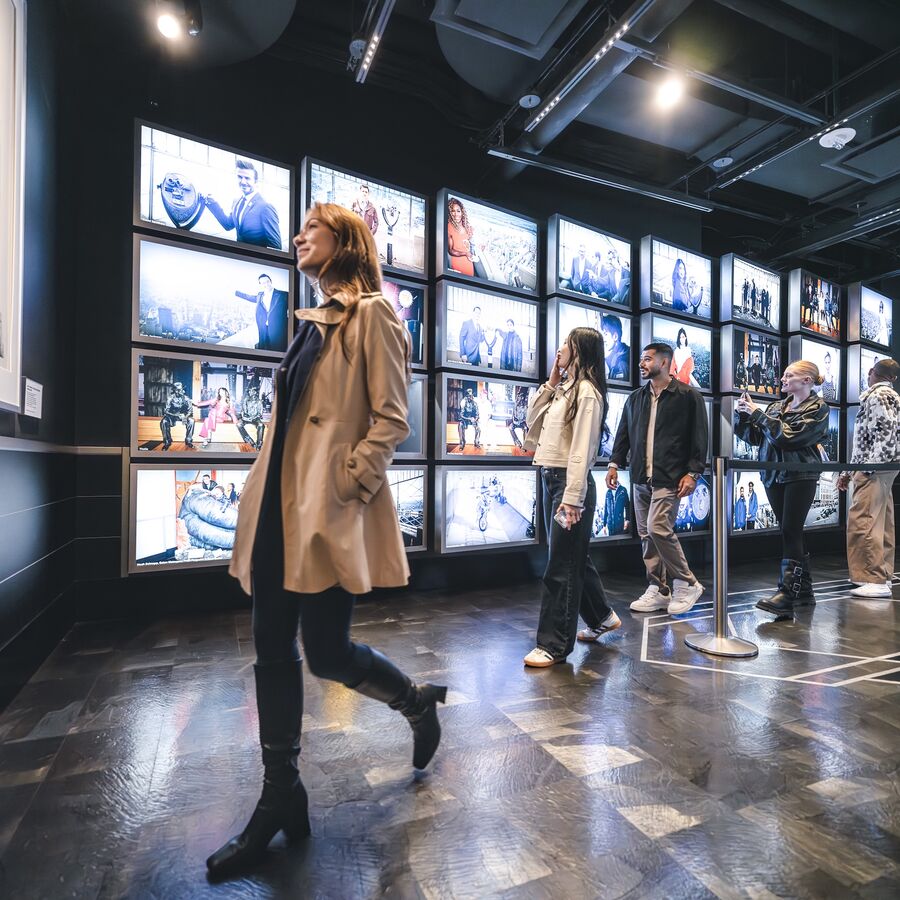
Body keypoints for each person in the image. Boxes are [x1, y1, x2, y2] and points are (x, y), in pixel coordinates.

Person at [206, 203, 446, 879]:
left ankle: (416, 702)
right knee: (271, 648)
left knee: (328, 655)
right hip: (279, 510)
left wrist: (349, 484)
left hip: (324, 509)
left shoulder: (374, 312)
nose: (297, 238)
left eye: (310, 227)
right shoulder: (310, 325)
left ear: (343, 240)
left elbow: (392, 419)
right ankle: (281, 794)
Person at [521, 327, 620, 666]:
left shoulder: (588, 394)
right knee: (572, 557)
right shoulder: (563, 389)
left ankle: (553, 645)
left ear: (580, 351)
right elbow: (530, 423)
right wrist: (551, 381)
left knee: (560, 567)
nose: (560, 348)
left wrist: (573, 497)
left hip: (568, 484)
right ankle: (602, 617)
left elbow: (582, 451)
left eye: (566, 343)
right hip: (554, 480)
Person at [608, 343, 707, 615]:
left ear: (664, 362)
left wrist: (693, 472)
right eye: (642, 359)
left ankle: (687, 583)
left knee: (658, 528)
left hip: (671, 477)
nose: (641, 363)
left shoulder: (688, 396)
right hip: (640, 476)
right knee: (645, 535)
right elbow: (623, 434)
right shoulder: (636, 398)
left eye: (647, 359)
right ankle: (659, 588)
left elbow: (699, 438)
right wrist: (614, 463)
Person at [734, 361, 830, 616]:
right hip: (772, 474)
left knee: (790, 529)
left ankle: (786, 594)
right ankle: (804, 592)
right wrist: (743, 414)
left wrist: (757, 414)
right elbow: (755, 437)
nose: (783, 380)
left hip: (800, 474)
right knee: (791, 530)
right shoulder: (777, 406)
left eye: (789, 376)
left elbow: (789, 437)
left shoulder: (818, 408)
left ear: (807, 380)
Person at [837, 358, 900, 598]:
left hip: (875, 466)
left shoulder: (877, 396)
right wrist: (850, 471)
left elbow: (884, 432)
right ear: (893, 378)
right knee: (881, 522)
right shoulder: (891, 396)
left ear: (872, 372)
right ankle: (882, 575)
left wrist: (869, 467)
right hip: (884, 466)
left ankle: (872, 579)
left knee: (863, 520)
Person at [206, 159, 282, 250]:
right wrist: (211, 203)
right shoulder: (236, 202)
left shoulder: (265, 207)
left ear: (256, 181)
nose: (243, 182)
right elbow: (228, 225)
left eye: (247, 178)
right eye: (239, 177)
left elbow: (275, 246)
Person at [235, 274, 289, 352]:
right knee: (265, 347)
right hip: (263, 326)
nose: (266, 284)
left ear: (270, 281)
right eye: (263, 283)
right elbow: (248, 297)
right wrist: (235, 292)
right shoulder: (260, 295)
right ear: (260, 284)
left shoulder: (283, 294)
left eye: (267, 281)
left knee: (278, 348)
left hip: (278, 328)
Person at [159, 382, 195, 450]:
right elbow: (166, 411)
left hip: (183, 417)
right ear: (175, 391)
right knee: (164, 422)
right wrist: (175, 415)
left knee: (191, 421)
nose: (180, 391)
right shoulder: (170, 398)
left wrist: (185, 417)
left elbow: (190, 411)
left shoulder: (186, 399)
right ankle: (167, 441)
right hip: (172, 417)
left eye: (181, 390)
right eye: (178, 390)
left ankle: (188, 440)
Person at [446, 197, 475, 277]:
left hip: (469, 262)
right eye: (453, 211)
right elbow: (451, 251)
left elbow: (469, 245)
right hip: (458, 262)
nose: (456, 214)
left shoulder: (467, 226)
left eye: (458, 211)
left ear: (462, 212)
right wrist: (465, 253)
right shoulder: (449, 227)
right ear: (449, 213)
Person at [237, 385, 267, 450]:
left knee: (261, 425)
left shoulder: (259, 401)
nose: (250, 392)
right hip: (246, 418)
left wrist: (255, 417)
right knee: (239, 424)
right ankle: (249, 441)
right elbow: (243, 411)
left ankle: (259, 444)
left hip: (255, 418)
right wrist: (246, 417)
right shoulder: (246, 400)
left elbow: (260, 413)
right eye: (250, 391)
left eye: (252, 391)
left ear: (255, 392)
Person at [601, 314, 629, 381]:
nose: (603, 339)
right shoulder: (620, 356)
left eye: (605, 334)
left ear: (615, 336)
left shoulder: (621, 363)